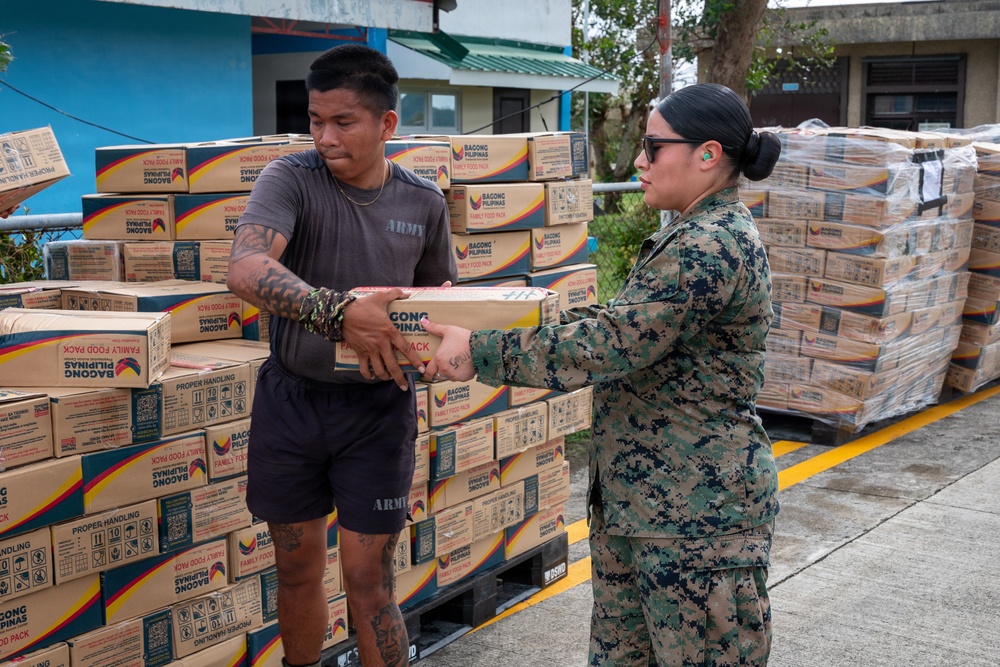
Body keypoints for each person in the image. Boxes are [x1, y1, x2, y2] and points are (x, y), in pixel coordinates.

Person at [422, 83, 782, 666]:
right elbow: (619, 324)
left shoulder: (710, 245)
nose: (639, 161)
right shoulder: (688, 234)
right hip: (643, 509)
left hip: (696, 522)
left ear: (708, 154)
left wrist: (481, 350)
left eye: (653, 146)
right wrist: (482, 316)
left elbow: (611, 344)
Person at [226, 44, 457, 667]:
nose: (325, 137)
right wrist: (338, 313)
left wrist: (434, 349)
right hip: (291, 404)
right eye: (314, 120)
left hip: (378, 413)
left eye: (343, 122)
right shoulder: (290, 180)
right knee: (297, 570)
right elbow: (246, 268)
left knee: (369, 580)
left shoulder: (422, 203)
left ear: (387, 124)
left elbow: (442, 303)